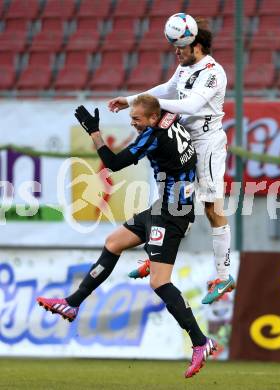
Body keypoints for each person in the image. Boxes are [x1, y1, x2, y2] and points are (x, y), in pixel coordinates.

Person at [37, 94, 217, 378]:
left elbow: (112, 163)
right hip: (166, 207)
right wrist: (131, 101)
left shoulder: (153, 136)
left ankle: (200, 341)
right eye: (132, 118)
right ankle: (72, 304)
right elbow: (157, 97)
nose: (133, 124)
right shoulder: (170, 116)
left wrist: (94, 132)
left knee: (159, 282)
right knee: (113, 242)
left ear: (153, 119)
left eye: (136, 119)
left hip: (171, 215)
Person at [108, 17, 235, 305]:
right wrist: (130, 100)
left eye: (181, 48)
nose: (176, 53)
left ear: (197, 45)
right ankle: (156, 254)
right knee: (172, 201)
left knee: (213, 208)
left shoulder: (214, 73)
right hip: (182, 139)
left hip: (206, 144)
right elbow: (166, 88)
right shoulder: (185, 66)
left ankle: (224, 275)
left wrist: (149, 106)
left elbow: (190, 105)